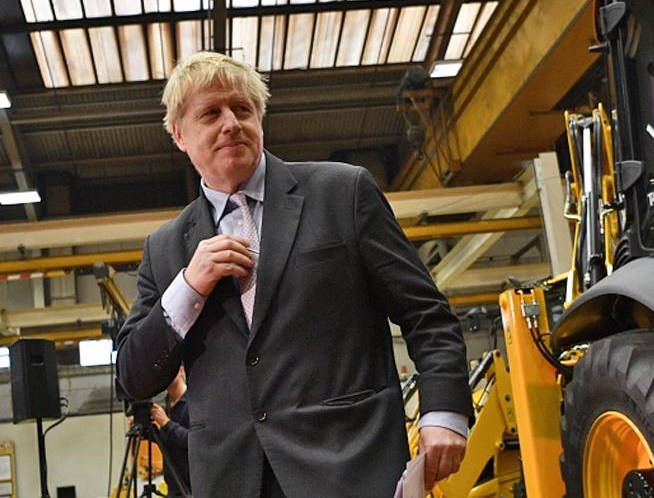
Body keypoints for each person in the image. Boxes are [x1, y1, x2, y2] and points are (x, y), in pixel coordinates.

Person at [116, 52, 472, 497]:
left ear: (260, 118)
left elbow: (427, 314)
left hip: (350, 467)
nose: (230, 123)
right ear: (179, 135)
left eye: (242, 109)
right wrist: (188, 287)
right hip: (232, 481)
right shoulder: (166, 248)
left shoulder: (343, 192)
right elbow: (134, 376)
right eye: (210, 113)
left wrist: (444, 412)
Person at [149, 367, 191, 497]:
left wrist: (166, 423)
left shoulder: (193, 403)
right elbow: (169, 443)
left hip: (191, 488)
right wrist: (147, 429)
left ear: (181, 370)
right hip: (174, 487)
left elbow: (193, 441)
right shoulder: (167, 405)